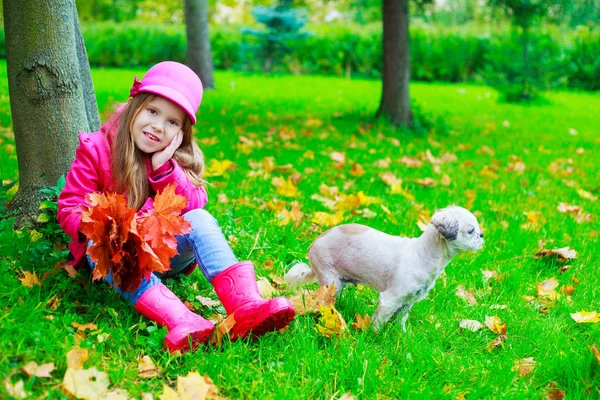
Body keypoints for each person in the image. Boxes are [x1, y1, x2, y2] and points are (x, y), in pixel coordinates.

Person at [57, 61, 296, 352]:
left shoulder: (175, 161)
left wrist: (164, 170)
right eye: (152, 111)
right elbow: (70, 205)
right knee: (106, 247)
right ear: (135, 105)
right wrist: (96, 229)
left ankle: (246, 306)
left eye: (172, 122)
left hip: (164, 254)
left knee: (200, 218)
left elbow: (194, 203)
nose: (158, 126)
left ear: (182, 133)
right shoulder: (96, 148)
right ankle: (182, 320)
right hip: (117, 261)